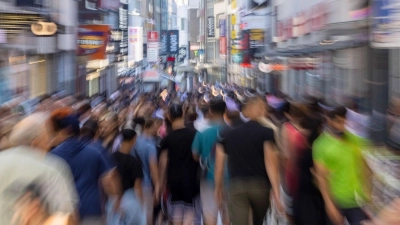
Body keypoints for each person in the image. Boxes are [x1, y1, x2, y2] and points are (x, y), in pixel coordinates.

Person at [0, 113, 78, 225]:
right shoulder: (52, 166)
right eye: (47, 140)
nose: (49, 145)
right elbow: (65, 216)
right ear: (35, 143)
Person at [215, 96, 281, 225]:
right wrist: (276, 192)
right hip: (260, 186)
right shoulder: (266, 132)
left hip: (236, 185)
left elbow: (219, 165)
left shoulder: (228, 134)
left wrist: (218, 189)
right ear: (262, 111)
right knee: (258, 221)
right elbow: (270, 163)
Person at [49, 109, 118, 225]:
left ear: (64, 131)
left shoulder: (52, 156)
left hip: (64, 214)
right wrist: (116, 200)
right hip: (92, 210)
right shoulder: (94, 152)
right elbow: (108, 181)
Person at [313, 107, 371, 225]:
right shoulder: (320, 145)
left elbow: (367, 164)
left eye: (345, 121)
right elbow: (321, 177)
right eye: (339, 122)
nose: (343, 126)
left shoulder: (355, 139)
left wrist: (368, 190)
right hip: (337, 200)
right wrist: (329, 205)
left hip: (357, 200)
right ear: (329, 120)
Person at [159, 103, 201, 225]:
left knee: (176, 208)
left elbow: (163, 162)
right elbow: (198, 156)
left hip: (173, 177)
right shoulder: (194, 134)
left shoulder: (167, 138)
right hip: (192, 177)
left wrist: (161, 182)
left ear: (169, 116)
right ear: (183, 114)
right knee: (190, 208)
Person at [192, 99, 229, 225]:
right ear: (225, 111)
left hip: (208, 177)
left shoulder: (202, 133)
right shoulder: (233, 131)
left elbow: (195, 156)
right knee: (227, 214)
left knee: (209, 215)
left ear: (211, 111)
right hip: (230, 178)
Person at [107, 129, 146, 225]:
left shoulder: (110, 157)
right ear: (133, 139)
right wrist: (141, 205)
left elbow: (107, 179)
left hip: (113, 199)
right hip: (130, 199)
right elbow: (138, 185)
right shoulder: (135, 161)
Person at [133, 118, 160, 225]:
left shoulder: (133, 143)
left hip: (133, 184)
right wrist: (157, 187)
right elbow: (153, 168)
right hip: (146, 184)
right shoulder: (150, 145)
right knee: (147, 215)